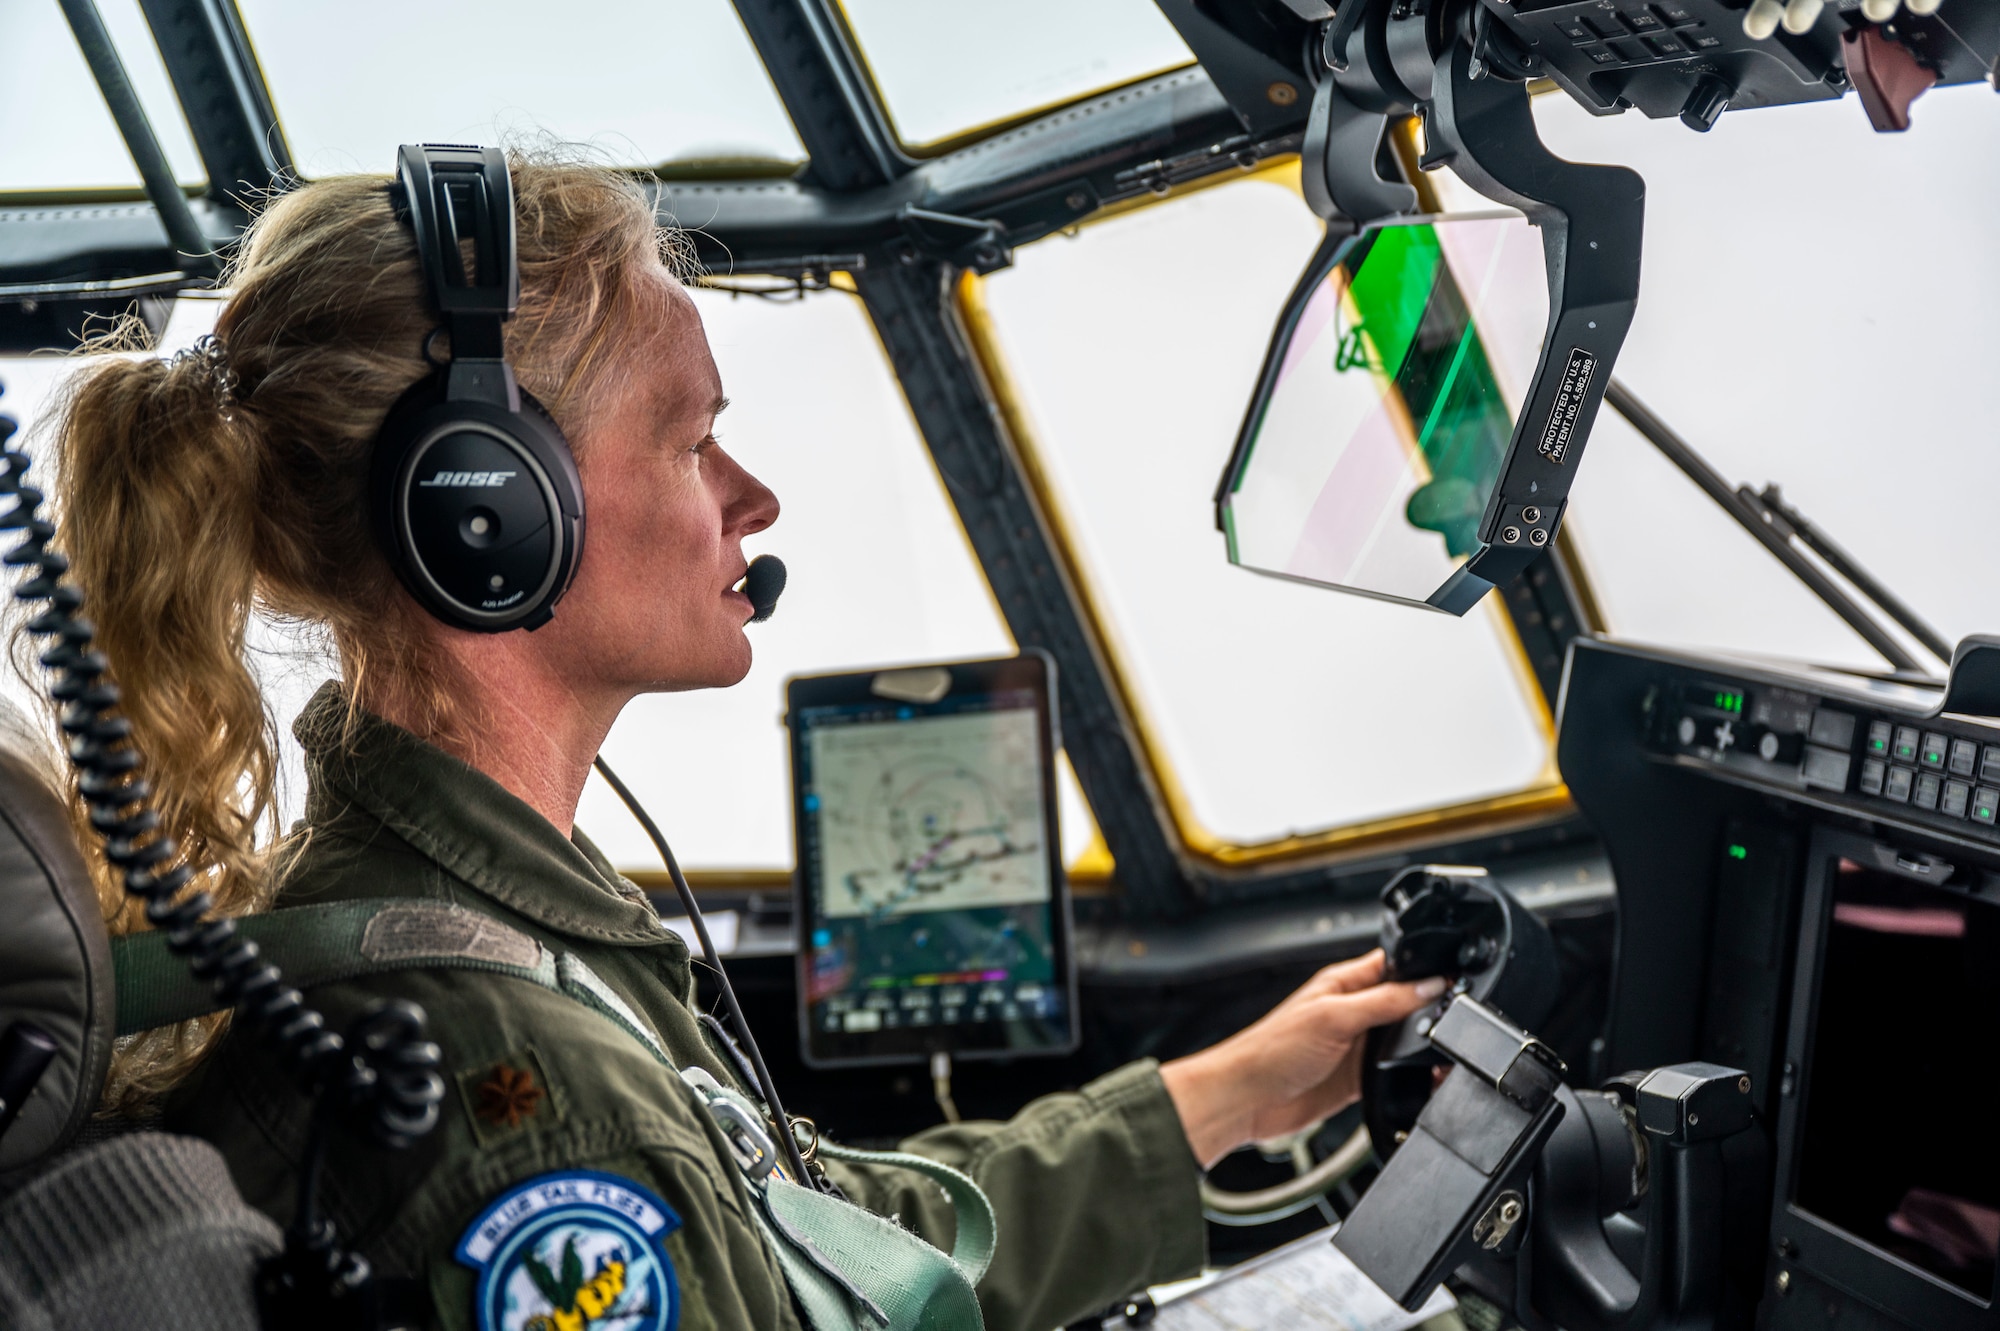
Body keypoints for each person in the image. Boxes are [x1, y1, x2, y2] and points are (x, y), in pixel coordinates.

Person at [47, 153, 1446, 1331]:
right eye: (691, 436)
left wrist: (1226, 1094)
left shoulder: (463, 925)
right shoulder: (532, 1117)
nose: (753, 497)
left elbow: (815, 1240)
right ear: (487, 512)